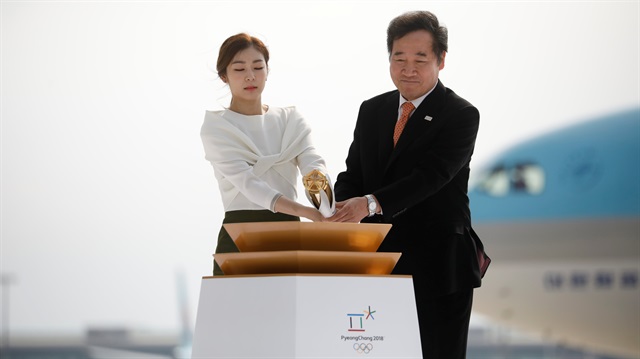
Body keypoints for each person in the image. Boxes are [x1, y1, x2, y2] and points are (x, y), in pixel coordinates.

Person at [330, 11, 490, 358]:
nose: (408, 68)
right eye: (399, 58)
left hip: (439, 266)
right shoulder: (372, 110)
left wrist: (369, 204)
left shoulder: (460, 114)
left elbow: (431, 177)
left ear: (441, 60)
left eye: (420, 58)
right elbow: (353, 172)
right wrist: (336, 209)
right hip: (379, 261)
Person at [201, 33, 329, 275]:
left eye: (258, 67)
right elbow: (249, 185)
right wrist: (307, 212)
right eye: (239, 69)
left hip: (289, 233)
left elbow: (313, 165)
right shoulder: (217, 127)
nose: (250, 76)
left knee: (289, 309)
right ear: (223, 76)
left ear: (267, 71)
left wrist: (326, 203)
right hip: (240, 234)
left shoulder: (290, 119)